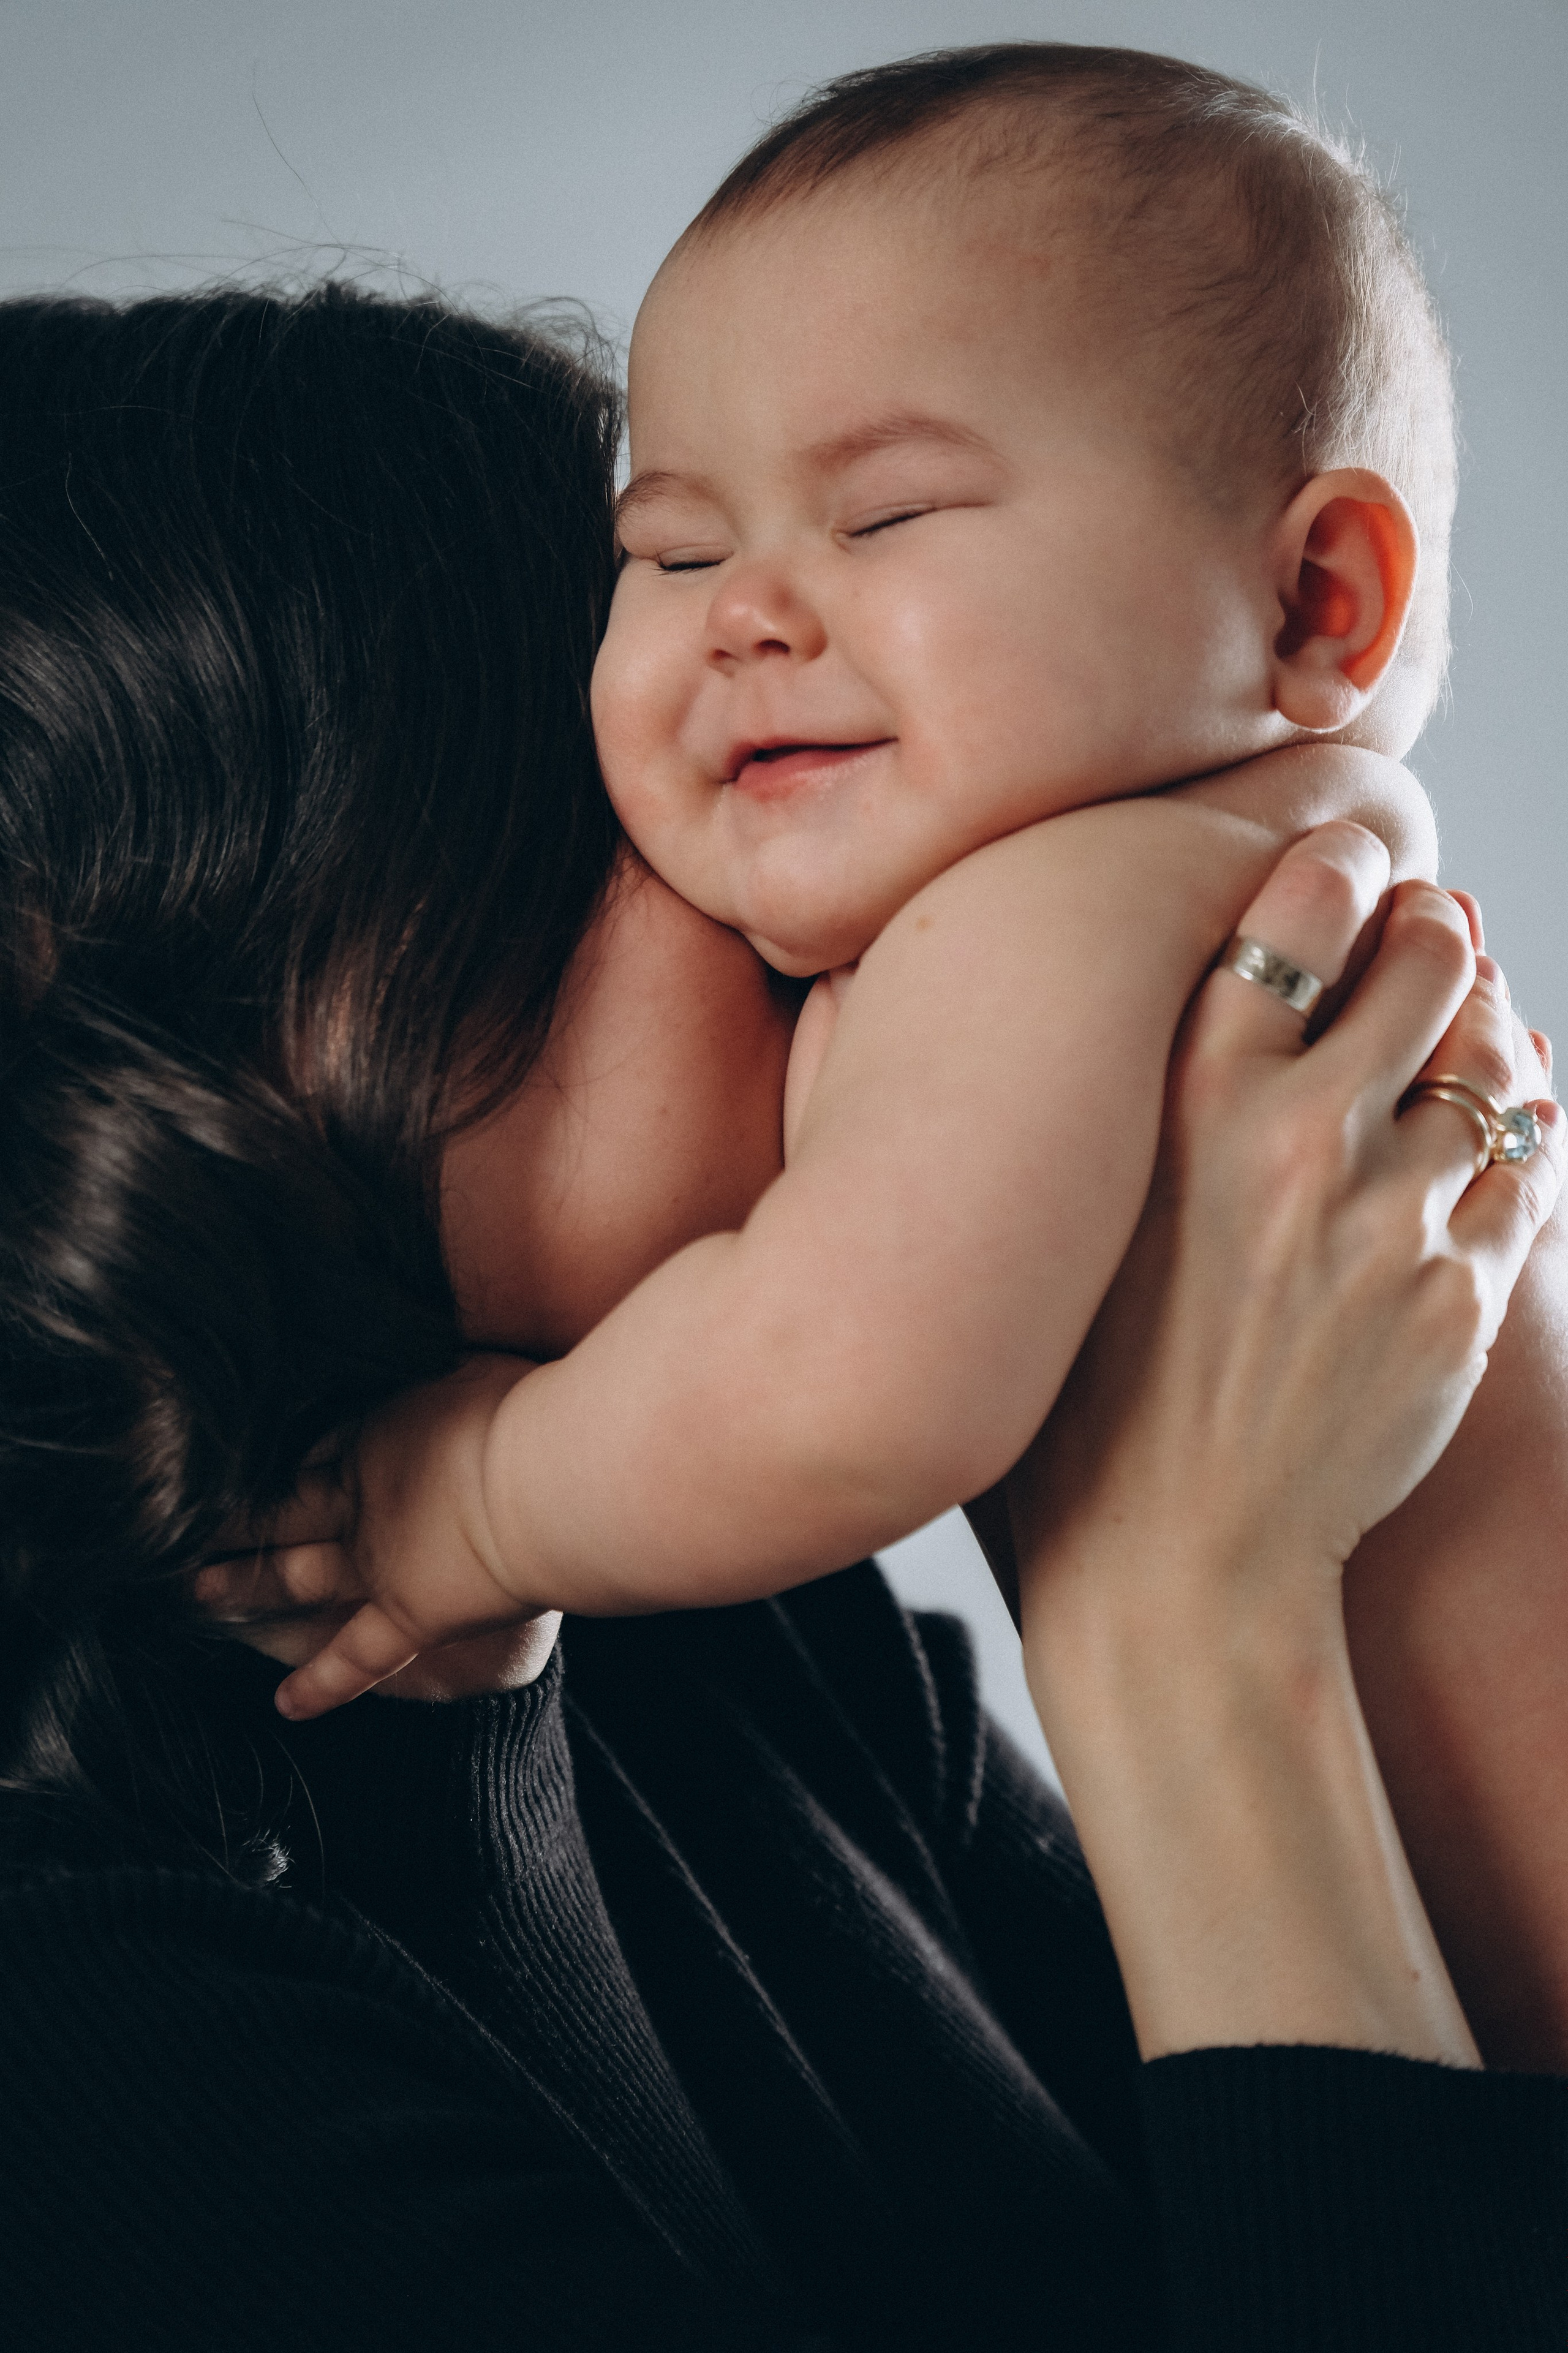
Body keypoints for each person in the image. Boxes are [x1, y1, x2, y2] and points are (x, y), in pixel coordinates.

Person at [0, 284, 1561, 2353]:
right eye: (610, 764)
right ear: (213, 971)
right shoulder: (98, 2070)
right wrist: (1189, 1608)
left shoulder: (742, 1634)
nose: (827, 843)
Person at [262, 43, 1472, 1716]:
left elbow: (846, 1387)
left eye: (888, 515)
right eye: (676, 549)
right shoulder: (1247, 862)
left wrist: (474, 1499)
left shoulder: (1072, 899)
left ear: (1317, 601)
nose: (746, 609)